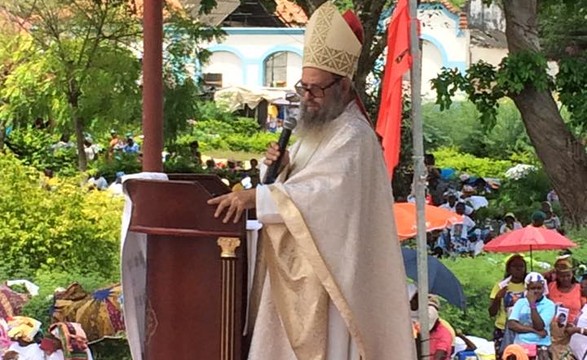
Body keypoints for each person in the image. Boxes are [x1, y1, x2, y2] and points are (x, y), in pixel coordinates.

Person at [207, 3, 415, 358]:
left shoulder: (354, 137)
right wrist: (282, 168)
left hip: (330, 286)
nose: (307, 98)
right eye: (303, 88)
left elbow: (324, 199)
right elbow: (300, 185)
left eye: (316, 90)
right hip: (292, 277)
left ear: (344, 85)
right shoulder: (315, 130)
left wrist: (254, 198)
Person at [489, 254, 528, 357]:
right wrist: (498, 298)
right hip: (502, 328)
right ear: (509, 269)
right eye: (515, 266)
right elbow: (491, 313)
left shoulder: (529, 286)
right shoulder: (501, 286)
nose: (518, 269)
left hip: (524, 329)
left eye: (521, 266)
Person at [546, 257, 585, 360]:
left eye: (568, 275)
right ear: (557, 275)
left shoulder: (579, 288)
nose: (565, 279)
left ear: (572, 274)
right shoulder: (551, 287)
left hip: (573, 330)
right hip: (554, 333)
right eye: (562, 276)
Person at [507, 272, 556, 351]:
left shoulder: (549, 305)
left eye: (539, 288)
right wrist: (534, 330)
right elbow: (511, 324)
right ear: (527, 289)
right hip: (520, 344)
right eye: (533, 288)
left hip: (540, 345)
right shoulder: (520, 302)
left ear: (543, 288)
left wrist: (532, 304)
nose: (536, 291)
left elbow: (539, 326)